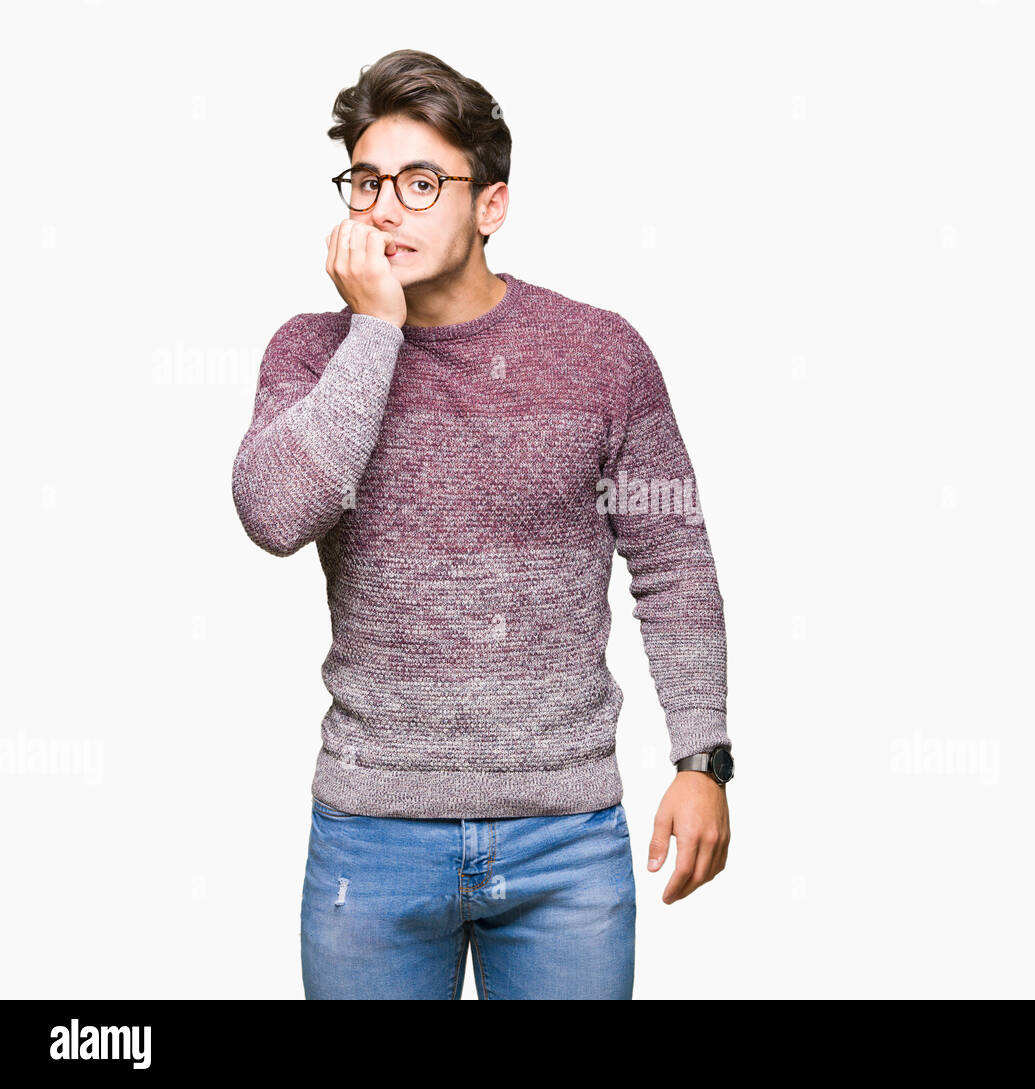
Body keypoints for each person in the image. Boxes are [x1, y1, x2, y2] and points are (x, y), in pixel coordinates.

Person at [231, 49, 734, 1000]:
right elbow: (274, 515)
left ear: (490, 205)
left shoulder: (600, 354)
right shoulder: (311, 351)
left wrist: (702, 755)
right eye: (367, 181)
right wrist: (374, 330)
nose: (384, 207)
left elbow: (673, 560)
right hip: (371, 836)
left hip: (565, 837)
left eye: (421, 183)